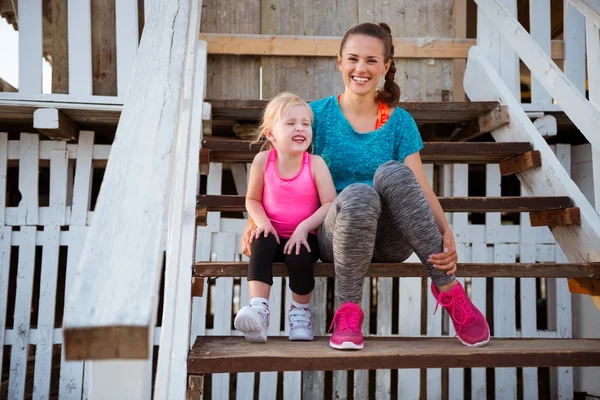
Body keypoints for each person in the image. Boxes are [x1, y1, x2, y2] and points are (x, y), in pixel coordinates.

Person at [242, 23, 490, 350]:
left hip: (389, 238)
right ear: (340, 62)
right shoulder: (315, 116)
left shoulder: (399, 120)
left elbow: (421, 187)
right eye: (353, 59)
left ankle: (449, 290)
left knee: (393, 172)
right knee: (357, 194)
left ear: (385, 67)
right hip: (336, 235)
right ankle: (348, 310)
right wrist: (256, 223)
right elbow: (282, 167)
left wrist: (445, 232)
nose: (361, 69)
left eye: (372, 60)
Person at [234, 92, 337, 343]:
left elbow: (330, 203)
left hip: (304, 236)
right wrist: (263, 223)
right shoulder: (262, 161)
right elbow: (253, 199)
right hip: (273, 233)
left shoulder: (315, 164)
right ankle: (259, 310)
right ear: (270, 134)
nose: (300, 128)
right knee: (261, 242)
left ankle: (300, 314)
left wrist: (304, 228)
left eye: (305, 123)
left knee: (299, 255)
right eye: (290, 123)